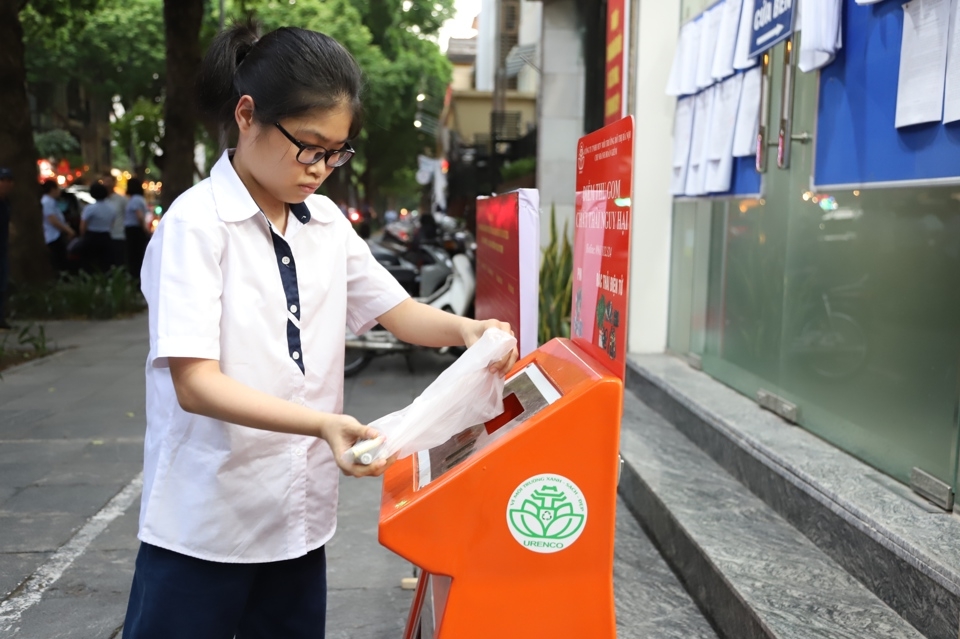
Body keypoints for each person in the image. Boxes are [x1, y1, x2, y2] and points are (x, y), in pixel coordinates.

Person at [122, 22, 518, 639]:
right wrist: (322, 425)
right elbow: (196, 383)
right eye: (310, 146)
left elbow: (396, 311)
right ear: (247, 115)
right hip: (205, 524)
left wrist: (465, 329)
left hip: (297, 519)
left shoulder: (326, 221)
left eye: (337, 151)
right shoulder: (196, 225)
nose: (322, 168)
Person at [78, 182, 118, 272]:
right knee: (105, 264)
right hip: (106, 237)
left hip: (91, 237)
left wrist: (83, 236)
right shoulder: (111, 208)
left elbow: (83, 225)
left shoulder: (89, 208)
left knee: (90, 264)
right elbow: (112, 222)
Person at [40, 179, 74, 273]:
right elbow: (52, 220)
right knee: (58, 259)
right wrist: (67, 230)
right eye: (58, 188)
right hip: (52, 236)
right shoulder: (47, 202)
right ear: (52, 189)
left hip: (56, 234)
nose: (59, 191)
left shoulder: (51, 201)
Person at [123, 178, 149, 278]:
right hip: (135, 229)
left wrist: (144, 228)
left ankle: (135, 277)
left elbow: (139, 216)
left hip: (134, 230)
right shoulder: (138, 199)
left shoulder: (135, 199)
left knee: (134, 255)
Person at [103, 174, 128, 268]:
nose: (107, 184)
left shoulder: (121, 200)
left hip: (118, 235)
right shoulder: (101, 200)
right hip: (105, 236)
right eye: (105, 181)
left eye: (109, 181)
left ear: (114, 183)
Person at [0, 168, 12, 329]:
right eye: (3, 180)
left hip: (2, 249)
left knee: (2, 284)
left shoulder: (6, 202)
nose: (6, 184)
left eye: (9, 180)